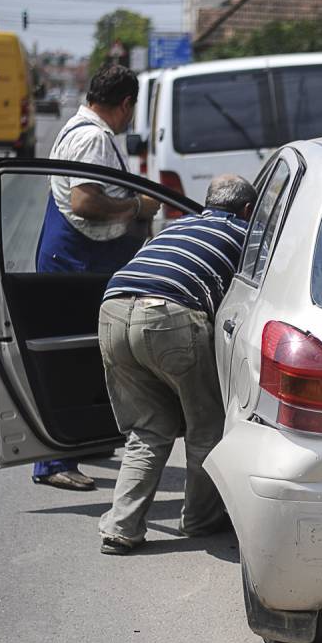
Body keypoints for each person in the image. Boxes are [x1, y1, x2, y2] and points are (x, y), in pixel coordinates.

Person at [97, 174, 254, 555]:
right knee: (207, 428)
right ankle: (199, 519)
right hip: (172, 313)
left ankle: (122, 527)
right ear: (248, 209)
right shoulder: (246, 237)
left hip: (113, 309)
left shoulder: (179, 225)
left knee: (147, 429)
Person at [30, 65, 161, 491]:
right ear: (125, 104)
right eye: (131, 109)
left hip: (77, 261)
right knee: (69, 362)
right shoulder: (93, 137)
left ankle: (79, 442)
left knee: (85, 356)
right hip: (76, 264)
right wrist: (136, 209)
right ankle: (53, 462)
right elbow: (86, 201)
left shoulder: (78, 128)